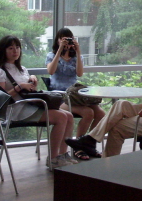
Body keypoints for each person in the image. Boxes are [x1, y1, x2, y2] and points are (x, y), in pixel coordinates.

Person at [0, 35, 76, 169]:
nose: (15, 51)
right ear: (3, 50)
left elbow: (29, 92)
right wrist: (20, 87)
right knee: (61, 117)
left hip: (29, 106)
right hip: (15, 109)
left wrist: (32, 83)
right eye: (11, 48)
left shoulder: (22, 69)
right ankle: (53, 158)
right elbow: (0, 98)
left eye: (17, 47)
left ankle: (62, 154)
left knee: (69, 116)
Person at [45, 28, 105, 156]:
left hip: (75, 96)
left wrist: (78, 52)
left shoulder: (76, 57)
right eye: (63, 39)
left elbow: (80, 73)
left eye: (69, 39)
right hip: (60, 97)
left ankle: (88, 143)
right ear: (57, 40)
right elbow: (51, 71)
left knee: (100, 113)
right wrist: (60, 50)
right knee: (88, 113)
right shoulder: (51, 55)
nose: (66, 41)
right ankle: (78, 147)